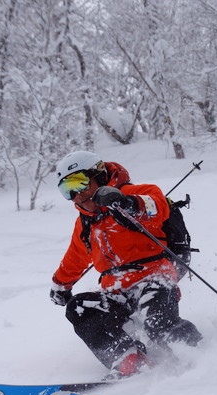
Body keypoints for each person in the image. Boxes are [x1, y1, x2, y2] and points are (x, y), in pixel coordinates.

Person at [49, 151, 202, 378]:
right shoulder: (85, 222)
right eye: (67, 190)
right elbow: (76, 256)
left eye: (78, 184)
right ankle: (128, 360)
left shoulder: (135, 193)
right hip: (115, 290)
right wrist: (60, 283)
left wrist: (126, 203)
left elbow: (157, 207)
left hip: (154, 277)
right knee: (80, 309)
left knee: (157, 321)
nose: (76, 195)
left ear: (98, 176)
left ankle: (195, 353)